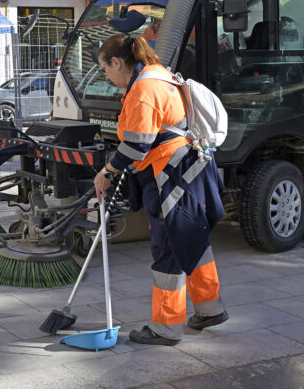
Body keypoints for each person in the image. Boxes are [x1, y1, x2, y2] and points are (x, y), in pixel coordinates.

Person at [92, 34, 227, 346]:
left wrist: (107, 171)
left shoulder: (143, 89)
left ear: (116, 62)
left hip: (171, 176)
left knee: (167, 247)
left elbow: (137, 145)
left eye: (104, 69)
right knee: (193, 237)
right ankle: (209, 308)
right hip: (189, 168)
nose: (106, 76)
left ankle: (165, 327)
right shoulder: (159, 74)